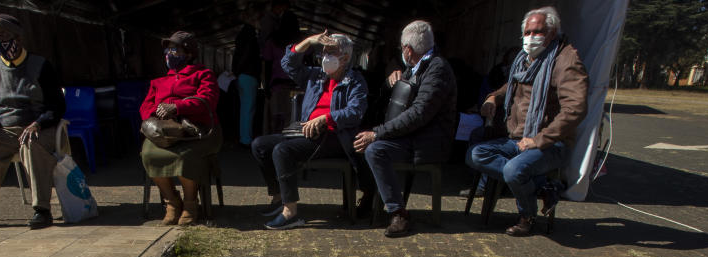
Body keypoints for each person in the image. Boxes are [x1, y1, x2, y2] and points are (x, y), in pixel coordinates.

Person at [466, 6, 588, 236]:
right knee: (475, 153)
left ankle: (527, 215)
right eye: (528, 32)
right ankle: (543, 187)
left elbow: (576, 109)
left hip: (551, 143)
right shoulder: (524, 59)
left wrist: (540, 139)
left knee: (514, 170)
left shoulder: (565, 60)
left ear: (552, 32)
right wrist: (494, 97)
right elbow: (511, 85)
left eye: (537, 32)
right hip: (516, 137)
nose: (531, 37)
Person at [251, 32, 368, 230]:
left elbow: (355, 111)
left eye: (331, 52)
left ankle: (291, 213)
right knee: (260, 145)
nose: (325, 57)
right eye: (323, 52)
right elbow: (288, 64)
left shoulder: (355, 81)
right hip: (306, 131)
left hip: (334, 136)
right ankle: (279, 196)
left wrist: (326, 118)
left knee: (282, 150)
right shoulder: (315, 75)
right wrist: (307, 42)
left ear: (345, 58)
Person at [353, 21, 457, 237]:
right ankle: (372, 197)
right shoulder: (415, 68)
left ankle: (398, 212)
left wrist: (378, 133)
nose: (401, 52)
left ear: (408, 49)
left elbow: (418, 114)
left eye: (401, 48)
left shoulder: (437, 69)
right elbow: (394, 102)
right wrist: (390, 82)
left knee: (375, 149)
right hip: (412, 136)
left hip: (427, 141)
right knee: (360, 140)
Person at [0, 14, 64, 230]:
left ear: (18, 38)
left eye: (5, 34)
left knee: (31, 143)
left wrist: (37, 123)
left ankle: (42, 210)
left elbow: (57, 105)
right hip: (6, 130)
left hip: (39, 128)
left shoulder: (40, 65)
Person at [139, 31, 221, 226]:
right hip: (165, 133)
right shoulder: (158, 82)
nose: (169, 53)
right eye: (168, 49)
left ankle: (191, 204)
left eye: (175, 49)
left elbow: (208, 101)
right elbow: (145, 107)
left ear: (189, 54)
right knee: (149, 154)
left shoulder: (203, 75)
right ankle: (172, 202)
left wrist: (178, 107)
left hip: (197, 132)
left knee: (184, 157)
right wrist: (158, 113)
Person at [260, 0, 300, 134]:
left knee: (276, 119)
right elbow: (309, 63)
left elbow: (267, 64)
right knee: (292, 119)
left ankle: (274, 144)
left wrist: (266, 87)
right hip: (296, 87)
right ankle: (289, 144)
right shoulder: (300, 43)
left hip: (277, 86)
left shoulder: (273, 40)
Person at [233, 6, 262, 146]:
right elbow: (248, 56)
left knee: (244, 108)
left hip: (243, 75)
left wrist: (237, 72)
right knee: (248, 108)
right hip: (249, 75)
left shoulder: (242, 34)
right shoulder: (250, 35)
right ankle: (246, 139)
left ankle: (244, 136)